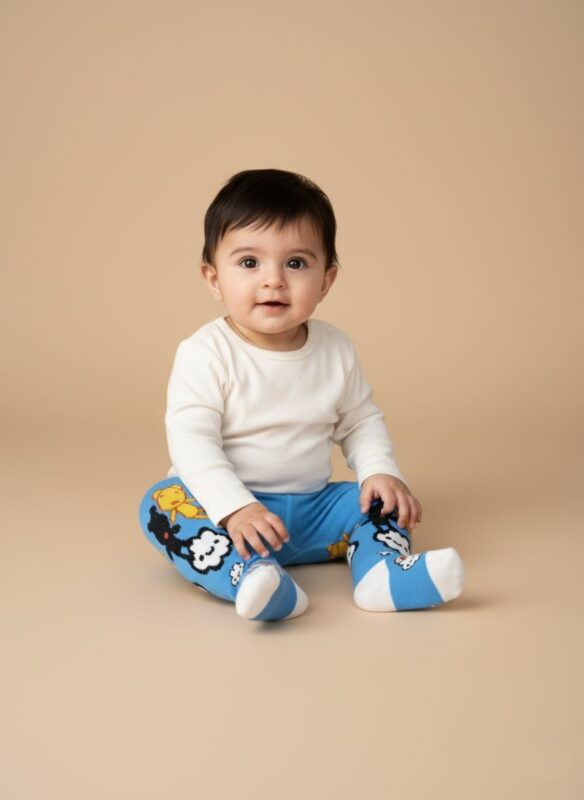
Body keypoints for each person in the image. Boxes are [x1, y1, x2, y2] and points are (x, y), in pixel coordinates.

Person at [137, 168, 464, 622]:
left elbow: (360, 420)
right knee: (161, 506)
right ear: (213, 279)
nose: (273, 280)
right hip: (231, 519)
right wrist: (236, 509)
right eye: (249, 263)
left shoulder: (336, 348)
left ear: (326, 280)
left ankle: (381, 575)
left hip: (313, 512)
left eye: (295, 263)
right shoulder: (205, 353)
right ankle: (250, 578)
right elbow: (193, 442)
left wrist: (380, 471)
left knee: (375, 501)